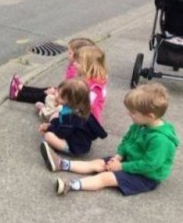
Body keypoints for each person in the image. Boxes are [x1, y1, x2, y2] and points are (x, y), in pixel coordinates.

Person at [41, 83, 179, 196]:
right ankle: (62, 164)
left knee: (105, 178)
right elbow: (127, 140)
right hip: (129, 161)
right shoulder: (141, 124)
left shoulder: (161, 141)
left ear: (149, 115)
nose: (129, 114)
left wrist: (121, 166)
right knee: (97, 163)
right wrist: (119, 156)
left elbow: (149, 165)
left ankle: (71, 185)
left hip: (146, 176)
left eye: (133, 113)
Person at [9, 38, 95, 121]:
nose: (67, 55)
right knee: (48, 89)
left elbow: (72, 95)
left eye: (70, 53)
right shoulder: (76, 68)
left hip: (68, 102)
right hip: (68, 96)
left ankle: (19, 95)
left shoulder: (77, 72)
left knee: (45, 95)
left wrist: (56, 93)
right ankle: (22, 88)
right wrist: (56, 90)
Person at [38, 79, 107, 156]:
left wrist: (49, 128)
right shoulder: (74, 109)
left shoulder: (71, 117)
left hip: (76, 147)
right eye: (58, 91)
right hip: (74, 137)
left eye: (61, 97)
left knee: (48, 136)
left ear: (73, 101)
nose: (56, 96)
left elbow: (61, 133)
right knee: (55, 117)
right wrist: (51, 125)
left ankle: (58, 148)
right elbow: (60, 121)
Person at [74, 45, 108, 122]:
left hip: (87, 121)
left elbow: (86, 105)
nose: (74, 64)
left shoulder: (95, 87)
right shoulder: (84, 78)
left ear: (90, 66)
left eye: (78, 62)